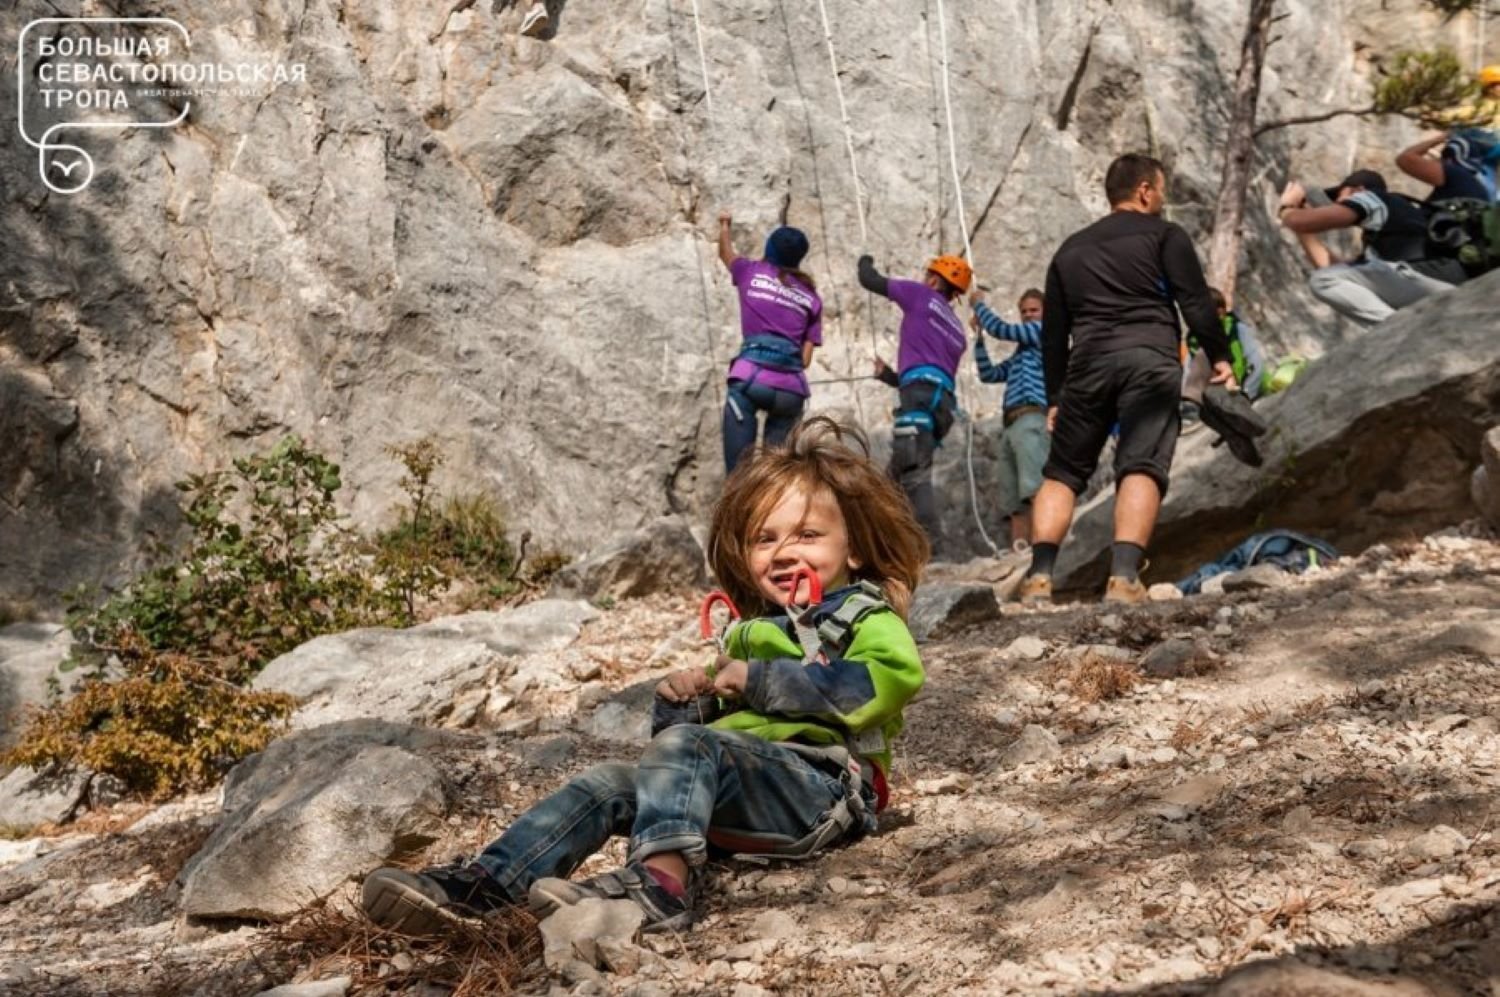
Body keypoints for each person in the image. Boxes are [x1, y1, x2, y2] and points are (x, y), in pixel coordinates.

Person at [360, 417, 927, 934]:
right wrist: (685, 702)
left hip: (824, 788)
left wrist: (754, 682)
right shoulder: (749, 631)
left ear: (853, 550)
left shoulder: (861, 615)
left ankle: (658, 889)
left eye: (807, 535)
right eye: (765, 538)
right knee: (609, 782)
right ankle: (489, 883)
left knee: (692, 748)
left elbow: (889, 682)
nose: (784, 552)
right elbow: (679, 756)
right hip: (749, 790)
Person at [1019, 153, 1250, 606]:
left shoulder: (1070, 249)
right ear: (1145, 190)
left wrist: (1055, 396)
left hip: (1086, 366)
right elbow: (1196, 304)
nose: (1162, 198)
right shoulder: (1165, 235)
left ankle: (1039, 578)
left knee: (1062, 472)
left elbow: (1053, 334)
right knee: (1141, 464)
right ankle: (1123, 579)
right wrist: (1221, 357)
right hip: (1149, 359)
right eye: (1161, 190)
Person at [858, 252, 971, 553]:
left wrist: (865, 260)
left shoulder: (920, 294)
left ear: (934, 280)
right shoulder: (958, 332)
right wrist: (889, 377)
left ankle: (935, 551)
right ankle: (882, 547)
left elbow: (868, 280)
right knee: (893, 479)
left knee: (915, 476)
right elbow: (931, 372)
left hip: (919, 397)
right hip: (941, 403)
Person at [1278, 169, 1468, 327]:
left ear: (1358, 190)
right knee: (1328, 278)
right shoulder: (1388, 228)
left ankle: (1397, 331)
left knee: (1321, 281)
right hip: (1446, 288)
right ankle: (1402, 330)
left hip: (1426, 280)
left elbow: (1304, 224)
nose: (1337, 203)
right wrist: (1301, 225)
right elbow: (1332, 270)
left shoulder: (1375, 199)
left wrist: (1287, 208)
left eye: (1339, 195)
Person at [717, 213, 824, 473]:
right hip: (790, 391)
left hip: (749, 379)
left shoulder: (750, 271)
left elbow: (725, 253)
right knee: (772, 480)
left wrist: (724, 225)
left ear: (769, 249)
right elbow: (805, 360)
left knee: (739, 477)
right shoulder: (811, 297)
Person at [970, 287, 1048, 545]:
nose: (1028, 315)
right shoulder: (1021, 355)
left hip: (1031, 417)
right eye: (1024, 311)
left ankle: (1042, 545)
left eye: (1034, 310)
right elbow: (988, 374)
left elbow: (1003, 330)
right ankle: (1020, 549)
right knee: (1013, 497)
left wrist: (979, 305)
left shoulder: (1043, 332)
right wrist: (979, 339)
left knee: (1034, 487)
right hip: (1012, 423)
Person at [1181, 287, 1269, 467]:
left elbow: (1255, 361)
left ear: (1220, 312)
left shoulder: (1236, 329)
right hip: (1213, 388)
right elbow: (1187, 372)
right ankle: (1235, 432)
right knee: (1208, 405)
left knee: (1212, 387)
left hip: (1239, 382)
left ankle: (1237, 419)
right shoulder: (1194, 339)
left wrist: (1247, 393)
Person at [1395, 131, 1495, 203]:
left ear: (1448, 160)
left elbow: (1404, 159)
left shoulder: (1456, 175)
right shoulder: (1481, 191)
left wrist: (1439, 139)